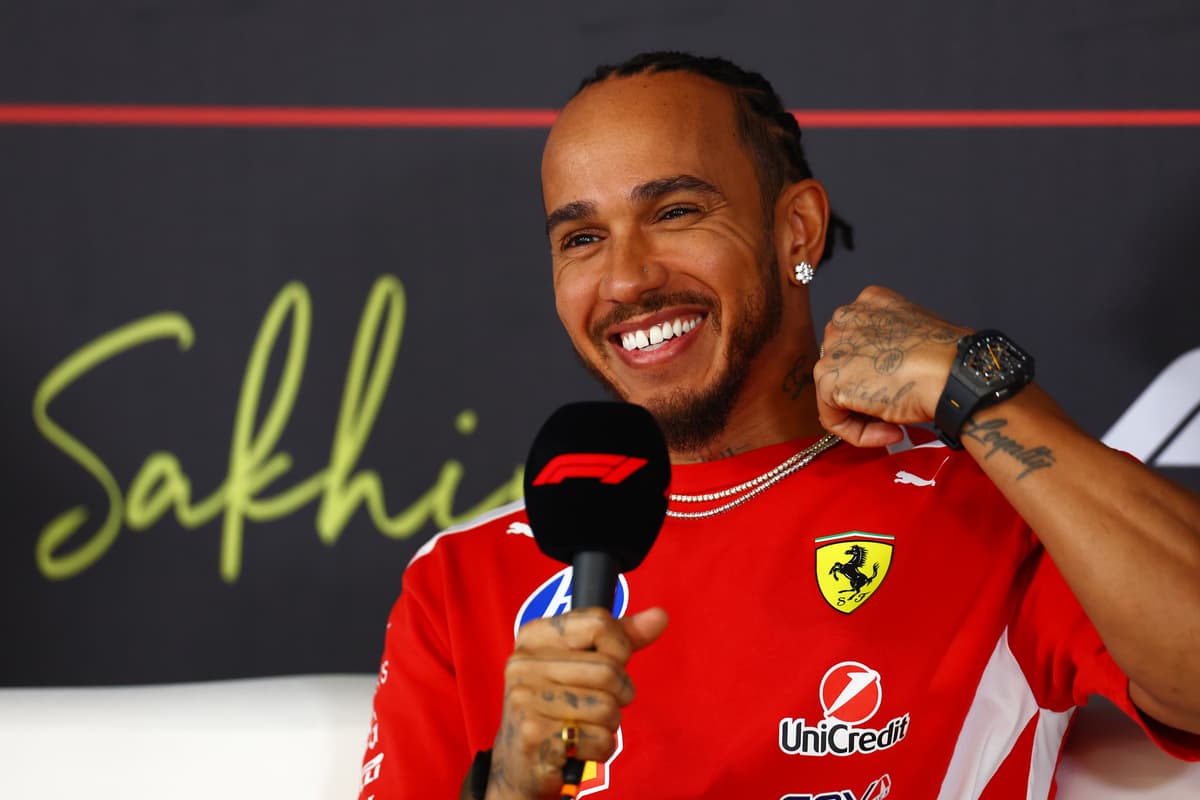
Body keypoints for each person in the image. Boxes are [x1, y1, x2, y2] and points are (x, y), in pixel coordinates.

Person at [358, 52, 1200, 799]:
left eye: (676, 212)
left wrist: (974, 385)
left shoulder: (992, 503)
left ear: (796, 226)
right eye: (581, 237)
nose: (625, 279)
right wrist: (509, 788)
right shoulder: (460, 581)